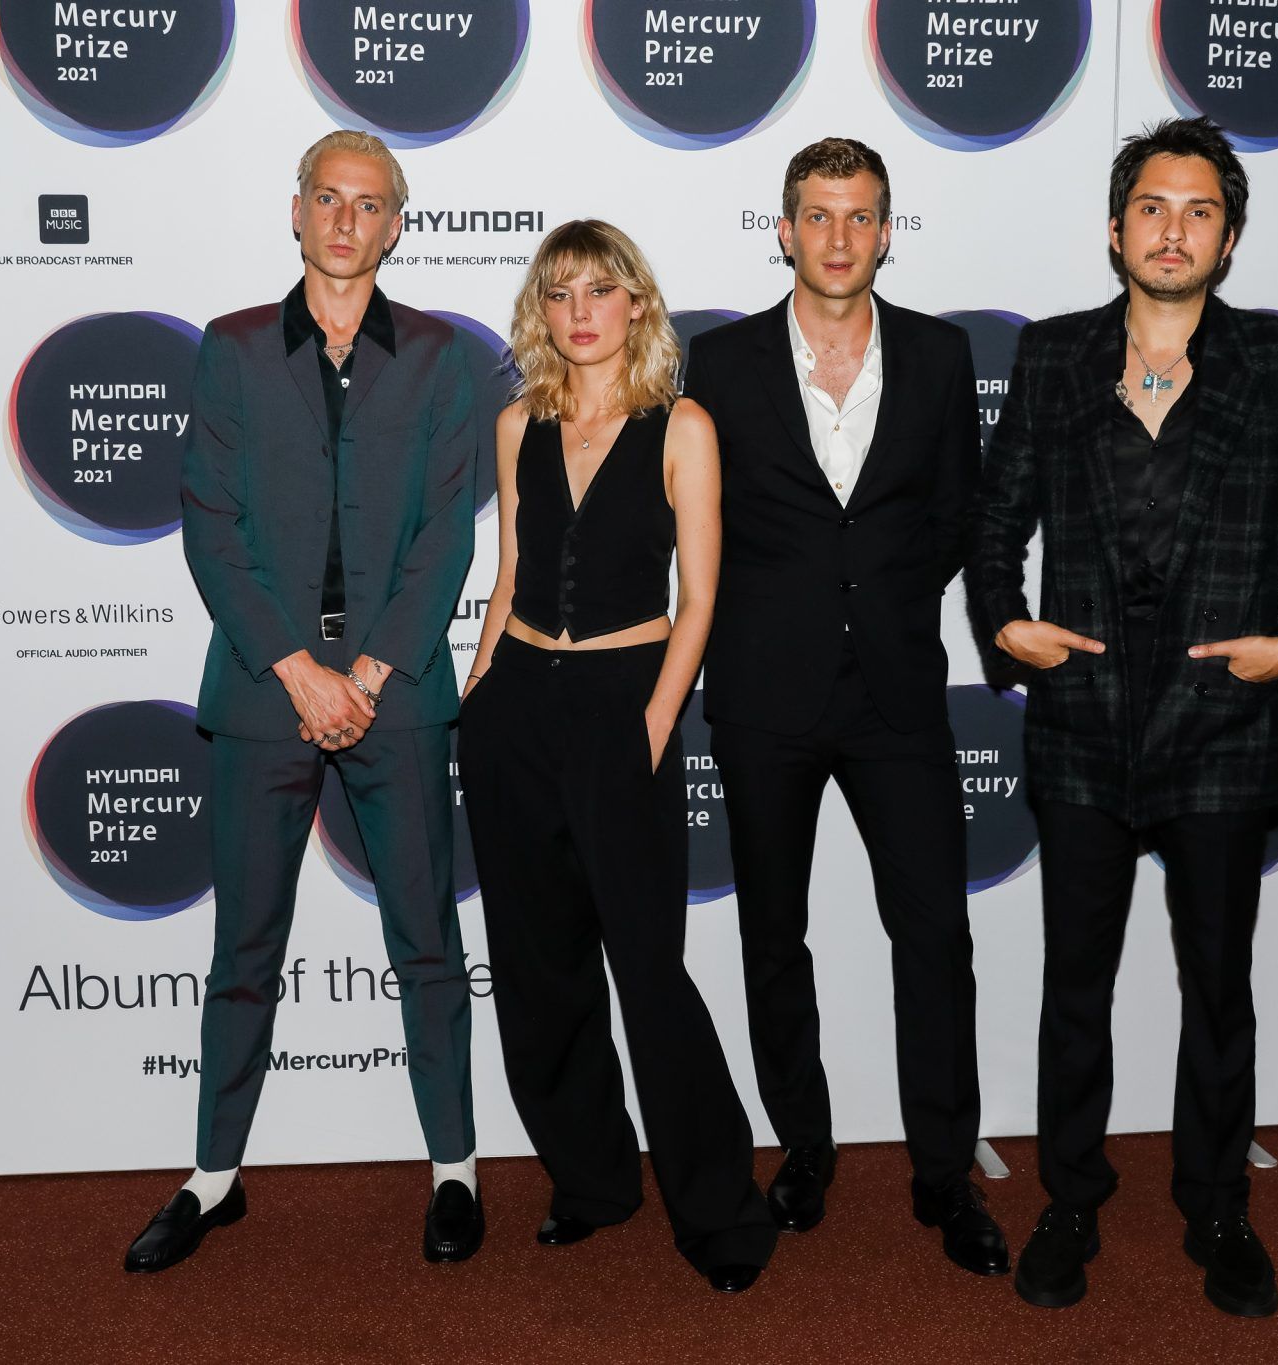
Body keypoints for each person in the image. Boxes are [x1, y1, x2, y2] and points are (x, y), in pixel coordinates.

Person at [966, 117, 1278, 1314]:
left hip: (1220, 729)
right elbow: (992, 527)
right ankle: (1068, 1203)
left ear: (1227, 239)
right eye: (1151, 206)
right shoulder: (1051, 357)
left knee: (1217, 988)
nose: (1172, 229)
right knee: (1072, 990)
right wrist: (1004, 624)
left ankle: (1216, 1206)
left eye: (1198, 211)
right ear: (1114, 227)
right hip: (1081, 723)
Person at [124, 130, 483, 1273]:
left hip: (397, 692)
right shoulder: (231, 348)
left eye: (368, 203)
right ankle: (212, 1178)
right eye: (327, 197)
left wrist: (366, 674)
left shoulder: (440, 357)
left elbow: (445, 534)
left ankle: (455, 1170)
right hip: (262, 687)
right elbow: (210, 524)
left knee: (427, 942)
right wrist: (298, 669)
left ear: (395, 225)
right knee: (244, 946)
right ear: (296, 211)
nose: (344, 219)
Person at [682, 138, 1005, 1277]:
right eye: (817, 215)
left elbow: (960, 513)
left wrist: (888, 597)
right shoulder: (718, 362)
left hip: (898, 694)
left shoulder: (939, 355)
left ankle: (943, 1172)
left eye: (859, 216)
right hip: (762, 697)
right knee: (774, 935)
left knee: (936, 936)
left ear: (885, 231)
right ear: (784, 231)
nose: (837, 237)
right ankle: (805, 1148)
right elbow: (698, 521)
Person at [460, 219, 778, 1294]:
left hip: (622, 705)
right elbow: (508, 575)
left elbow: (700, 600)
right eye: (559, 294)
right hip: (515, 708)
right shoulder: (518, 423)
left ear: (636, 302)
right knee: (538, 966)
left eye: (600, 290)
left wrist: (652, 723)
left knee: (647, 969)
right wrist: (479, 690)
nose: (580, 312)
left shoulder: (681, 424)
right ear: (539, 313)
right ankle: (591, 1179)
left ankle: (718, 1210)